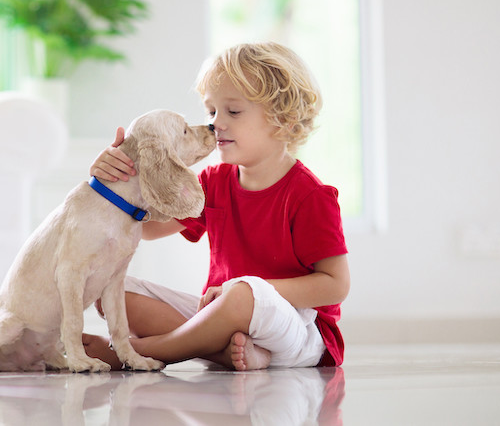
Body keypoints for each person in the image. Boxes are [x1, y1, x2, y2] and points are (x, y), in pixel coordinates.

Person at [84, 42, 350, 371]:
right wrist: (119, 178)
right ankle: (222, 352)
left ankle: (138, 351)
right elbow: (147, 229)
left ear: (284, 118)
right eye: (211, 111)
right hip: (227, 314)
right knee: (113, 288)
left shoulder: (311, 196)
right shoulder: (213, 182)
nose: (215, 123)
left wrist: (246, 291)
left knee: (243, 292)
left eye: (232, 111)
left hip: (299, 332)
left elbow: (335, 285)